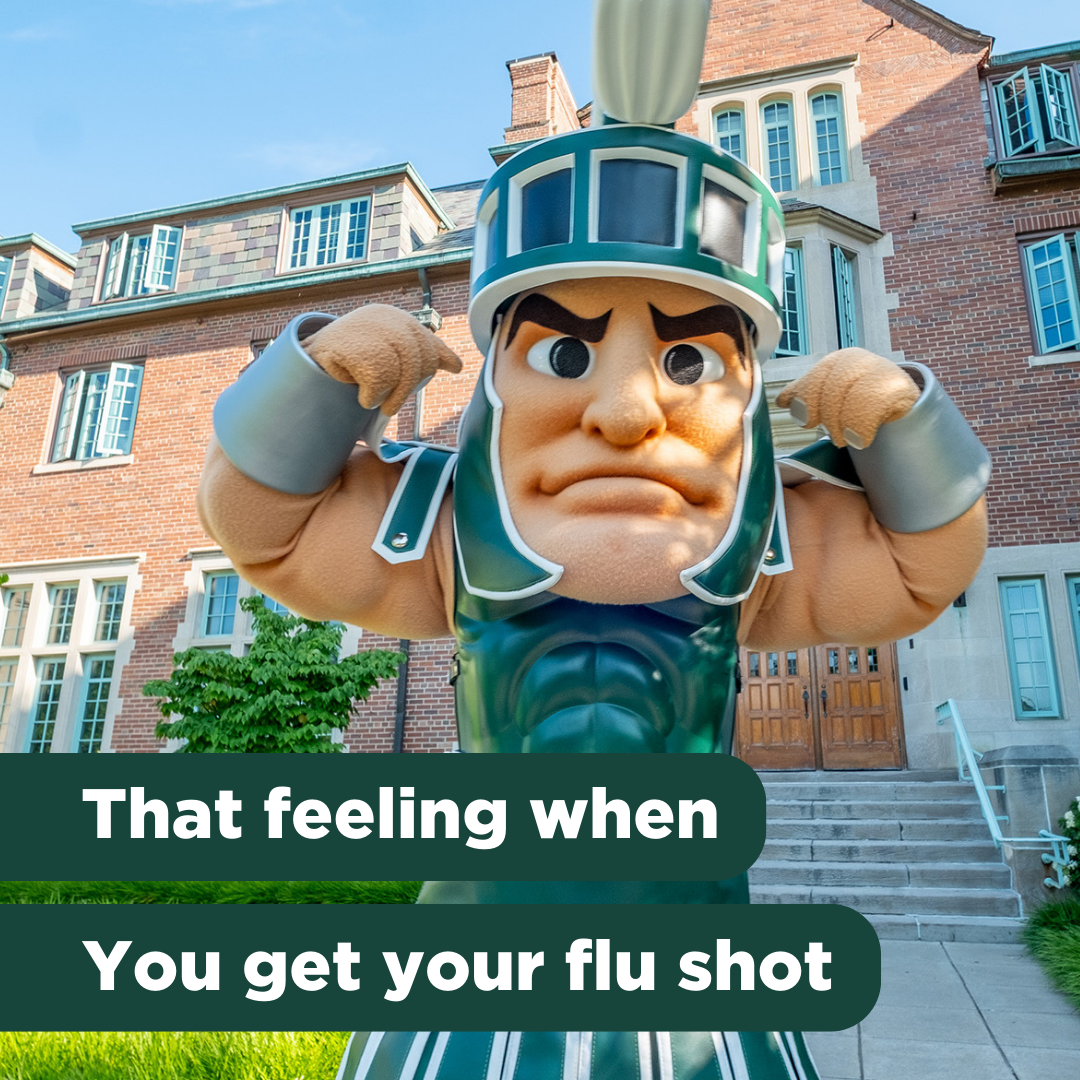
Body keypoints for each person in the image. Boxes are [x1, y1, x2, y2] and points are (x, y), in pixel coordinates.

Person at [199, 2, 990, 1075]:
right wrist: (314, 386)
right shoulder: (446, 525)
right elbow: (262, 530)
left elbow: (922, 569)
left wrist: (905, 427)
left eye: (689, 363)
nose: (624, 411)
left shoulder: (760, 536)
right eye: (565, 359)